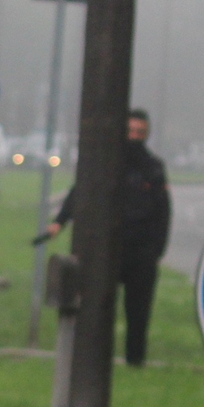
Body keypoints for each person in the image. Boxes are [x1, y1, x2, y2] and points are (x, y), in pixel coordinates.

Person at [45, 109, 172, 368]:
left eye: (140, 133)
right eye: (130, 131)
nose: (135, 137)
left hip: (142, 251)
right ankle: (94, 360)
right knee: (98, 307)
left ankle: (135, 360)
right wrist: (59, 222)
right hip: (107, 248)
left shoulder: (154, 167)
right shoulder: (104, 162)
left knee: (139, 312)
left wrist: (157, 250)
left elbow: (163, 211)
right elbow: (79, 192)